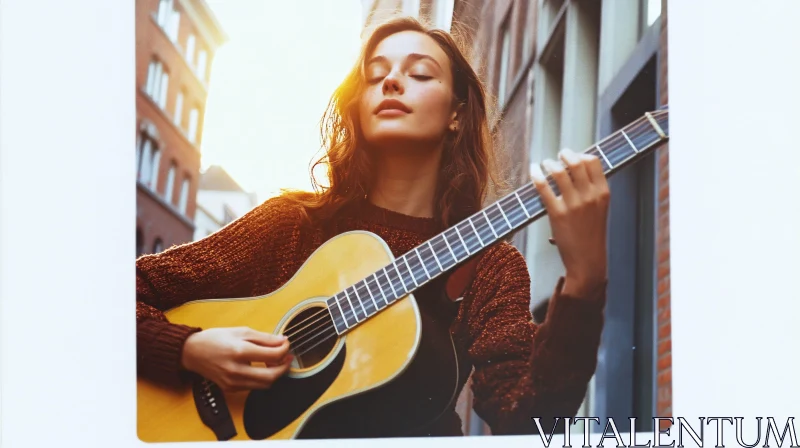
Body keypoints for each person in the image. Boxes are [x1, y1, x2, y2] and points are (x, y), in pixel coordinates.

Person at [136, 17, 610, 438]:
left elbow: (527, 420)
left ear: (456, 114)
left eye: (420, 73)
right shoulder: (295, 225)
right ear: (356, 107)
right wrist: (187, 348)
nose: (392, 83)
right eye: (375, 75)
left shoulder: (490, 263)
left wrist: (585, 283)